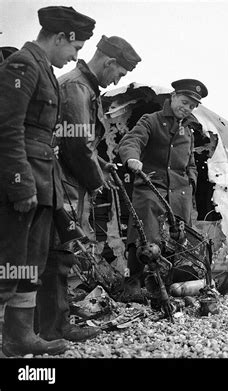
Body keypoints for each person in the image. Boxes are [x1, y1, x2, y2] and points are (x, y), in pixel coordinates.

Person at [0, 6, 95, 356]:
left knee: (31, 261)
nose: (74, 56)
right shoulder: (22, 66)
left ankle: (18, 336)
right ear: (60, 38)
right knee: (8, 261)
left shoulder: (45, 71)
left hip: (42, 182)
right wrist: (19, 182)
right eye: (76, 48)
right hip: (22, 181)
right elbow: (7, 130)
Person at [36, 35, 141, 342]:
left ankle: (48, 322)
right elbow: (77, 145)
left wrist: (101, 164)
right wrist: (97, 180)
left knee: (58, 253)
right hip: (62, 183)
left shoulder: (83, 87)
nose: (117, 80)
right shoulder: (77, 87)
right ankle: (54, 327)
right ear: (109, 62)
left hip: (66, 182)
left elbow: (85, 145)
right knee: (58, 253)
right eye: (119, 73)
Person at [118, 79, 207, 300]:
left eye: (191, 106)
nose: (186, 108)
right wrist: (132, 159)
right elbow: (132, 141)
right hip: (151, 188)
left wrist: (191, 182)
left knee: (176, 242)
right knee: (143, 237)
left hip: (179, 195)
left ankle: (163, 286)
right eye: (184, 102)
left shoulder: (188, 131)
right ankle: (133, 285)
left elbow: (191, 164)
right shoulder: (151, 120)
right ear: (173, 96)